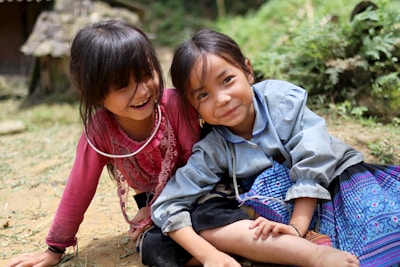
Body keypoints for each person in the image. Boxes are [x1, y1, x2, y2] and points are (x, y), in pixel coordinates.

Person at [152, 29, 400, 267]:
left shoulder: (280, 101)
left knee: (382, 227)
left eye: (227, 80)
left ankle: (304, 245)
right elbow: (168, 204)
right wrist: (207, 254)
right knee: (185, 230)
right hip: (277, 209)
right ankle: (295, 248)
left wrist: (295, 228)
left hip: (335, 185)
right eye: (203, 95)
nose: (222, 99)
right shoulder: (212, 148)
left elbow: (313, 157)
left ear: (248, 71)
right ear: (193, 107)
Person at [6, 20, 203, 267]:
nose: (142, 92)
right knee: (152, 249)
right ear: (96, 93)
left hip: (200, 191)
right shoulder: (99, 131)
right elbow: (79, 188)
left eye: (146, 75)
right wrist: (54, 249)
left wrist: (157, 207)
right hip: (156, 208)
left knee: (210, 217)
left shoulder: (174, 105)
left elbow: (198, 167)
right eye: (123, 85)